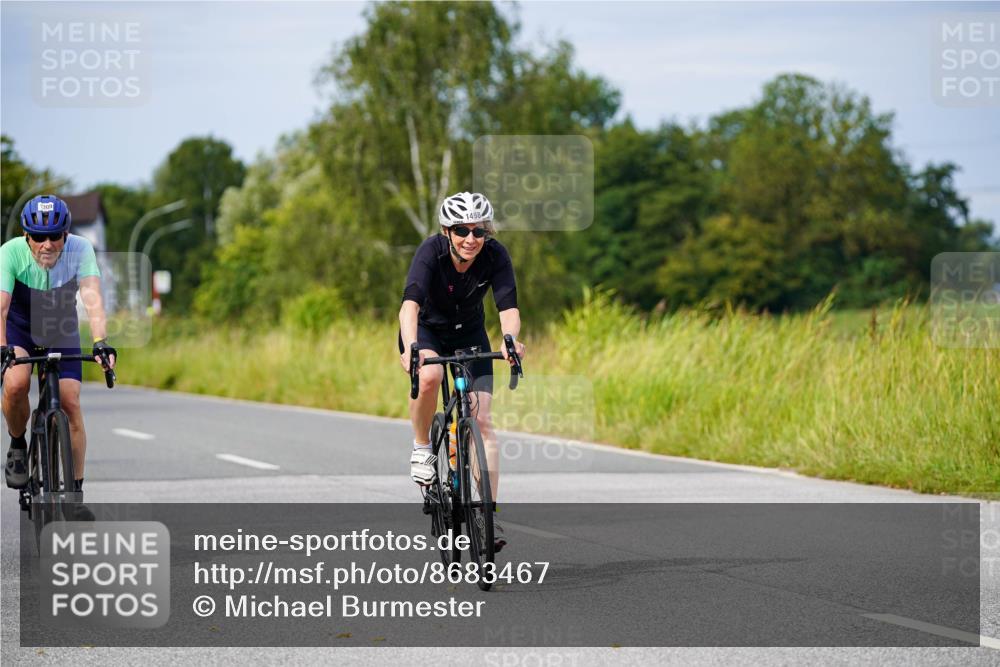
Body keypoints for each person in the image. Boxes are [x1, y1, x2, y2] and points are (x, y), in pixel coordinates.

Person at [398, 192, 525, 549]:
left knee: (482, 421)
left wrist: (511, 339)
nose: (471, 239)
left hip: (469, 334)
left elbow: (508, 308)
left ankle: (489, 513)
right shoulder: (430, 252)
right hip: (427, 331)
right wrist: (411, 347)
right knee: (430, 376)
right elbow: (409, 306)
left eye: (479, 231)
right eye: (461, 230)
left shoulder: (496, 255)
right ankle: (423, 446)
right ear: (446, 231)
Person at [1, 195, 117, 519]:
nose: (47, 244)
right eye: (39, 237)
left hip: (59, 326)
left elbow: (92, 297)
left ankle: (75, 495)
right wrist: (2, 348)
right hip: (20, 329)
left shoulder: (81, 250)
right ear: (27, 236)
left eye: (55, 236)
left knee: (70, 401)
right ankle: (17, 445)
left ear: (67, 233)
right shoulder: (9, 253)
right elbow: (1, 306)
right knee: (15, 383)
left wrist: (100, 342)